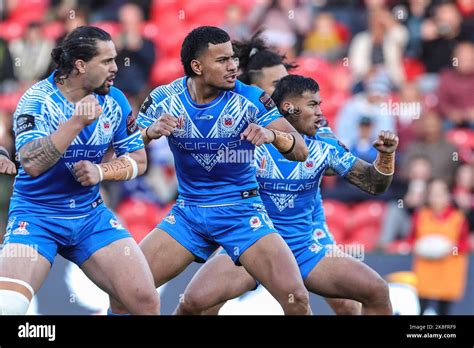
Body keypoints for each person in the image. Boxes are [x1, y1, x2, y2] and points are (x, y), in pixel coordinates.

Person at [110, 26, 312, 315]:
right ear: (197, 66)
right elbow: (125, 151)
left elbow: (301, 151)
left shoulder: (251, 99)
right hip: (189, 213)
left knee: (296, 297)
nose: (233, 67)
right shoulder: (163, 98)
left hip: (242, 213)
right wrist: (149, 133)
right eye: (222, 60)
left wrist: (274, 137)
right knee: (125, 291)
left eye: (232, 58)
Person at [175, 75, 396, 315]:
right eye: (313, 105)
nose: (320, 112)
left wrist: (385, 156)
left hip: (302, 250)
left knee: (377, 291)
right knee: (191, 304)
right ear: (288, 108)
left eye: (320, 104)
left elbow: (375, 185)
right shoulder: (249, 142)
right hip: (252, 248)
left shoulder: (324, 145)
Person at [0, 26, 160, 315]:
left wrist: (101, 172)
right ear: (80, 65)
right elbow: (32, 163)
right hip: (37, 216)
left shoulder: (115, 100)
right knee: (8, 306)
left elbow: (138, 159)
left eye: (115, 60)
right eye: (107, 61)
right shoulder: (37, 100)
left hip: (90, 216)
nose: (115, 68)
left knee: (143, 301)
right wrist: (75, 123)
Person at [232, 32, 362, 315]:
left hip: (305, 224)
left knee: (349, 305)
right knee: (201, 299)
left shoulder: (313, 123)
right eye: (277, 84)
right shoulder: (239, 120)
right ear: (254, 90)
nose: (286, 88)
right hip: (255, 224)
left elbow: (333, 160)